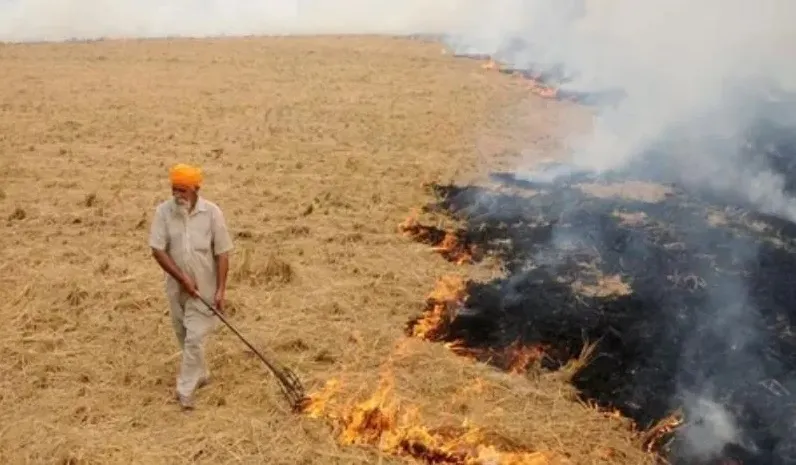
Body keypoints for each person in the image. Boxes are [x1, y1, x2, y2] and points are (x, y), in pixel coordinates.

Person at [148, 163, 234, 410]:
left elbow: (223, 253)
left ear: (196, 189)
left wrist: (220, 290)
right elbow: (157, 249)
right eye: (175, 189)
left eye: (183, 190)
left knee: (195, 338)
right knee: (183, 334)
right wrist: (182, 279)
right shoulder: (164, 212)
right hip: (176, 288)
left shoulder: (213, 213)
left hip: (204, 289)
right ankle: (201, 373)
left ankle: (184, 390)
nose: (178, 195)